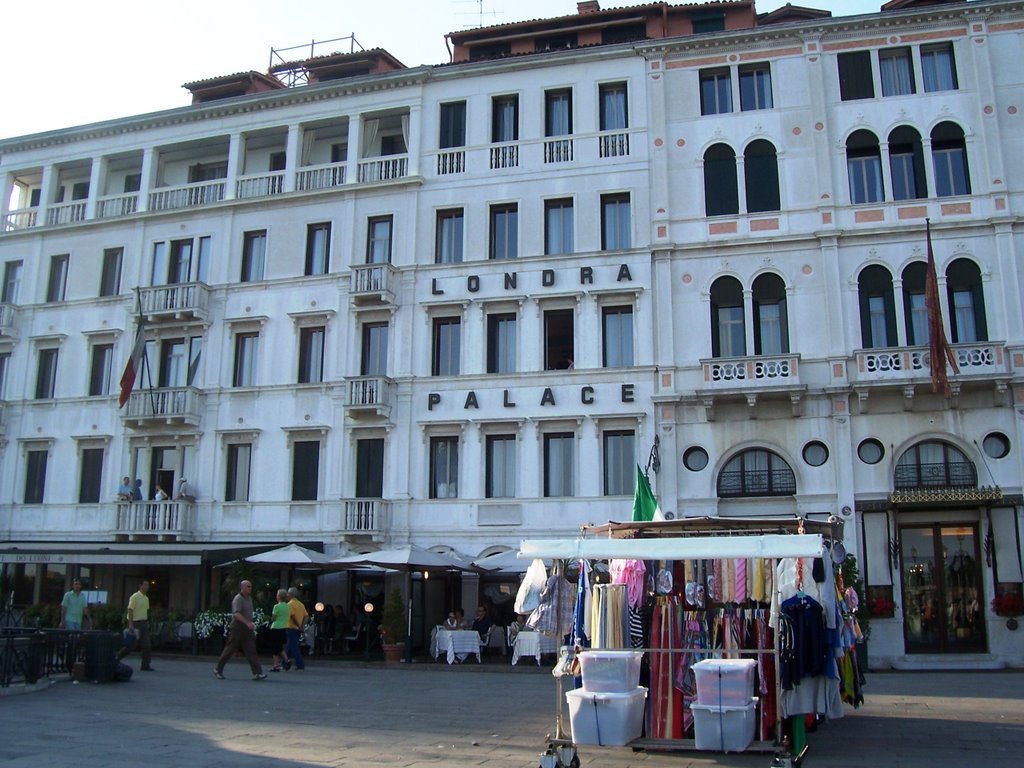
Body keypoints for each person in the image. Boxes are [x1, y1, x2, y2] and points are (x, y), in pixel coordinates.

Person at [214, 580, 267, 681]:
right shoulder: (238, 599)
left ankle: (257, 673)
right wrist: (247, 622)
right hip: (237, 627)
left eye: (251, 586)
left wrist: (250, 623)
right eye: (248, 586)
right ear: (242, 587)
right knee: (230, 649)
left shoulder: (249, 598)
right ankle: (218, 669)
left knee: (251, 649)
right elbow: (236, 614)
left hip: (247, 628)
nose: (250, 588)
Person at [117, 579, 154, 671]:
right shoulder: (135, 596)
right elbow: (130, 609)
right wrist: (130, 624)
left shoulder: (146, 598)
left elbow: (145, 611)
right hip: (135, 622)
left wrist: (147, 621)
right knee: (131, 645)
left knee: (147, 645)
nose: (146, 587)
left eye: (147, 585)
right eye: (144, 585)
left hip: (143, 622)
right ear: (140, 586)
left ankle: (145, 664)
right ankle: (117, 658)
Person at [286, 587, 309, 671]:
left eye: (288, 593)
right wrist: (302, 625)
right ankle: (285, 663)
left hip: (291, 627)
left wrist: (298, 625)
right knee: (290, 646)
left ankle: (300, 664)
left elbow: (292, 616)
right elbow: (306, 616)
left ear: (291, 594)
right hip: (298, 629)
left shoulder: (290, 604)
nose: (287, 595)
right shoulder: (301, 604)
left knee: (294, 646)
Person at [269, 589, 291, 671]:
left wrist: (271, 620)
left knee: (274, 647)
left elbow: (273, 618)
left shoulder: (276, 606)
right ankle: (286, 660)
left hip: (276, 627)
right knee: (279, 646)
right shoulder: (288, 606)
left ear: (278, 597)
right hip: (284, 627)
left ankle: (276, 665)